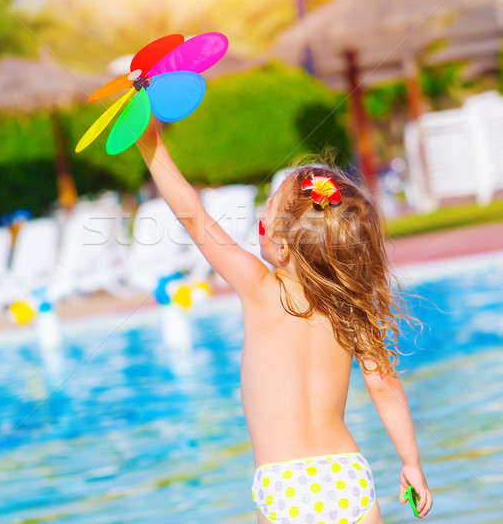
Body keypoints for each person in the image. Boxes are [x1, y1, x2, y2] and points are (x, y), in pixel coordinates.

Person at [135, 115, 433, 524]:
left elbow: (192, 214)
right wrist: (410, 462)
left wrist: (151, 144)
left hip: (284, 484)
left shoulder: (259, 287)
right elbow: (384, 385)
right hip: (347, 476)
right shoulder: (350, 307)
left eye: (267, 210)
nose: (262, 214)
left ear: (281, 242)